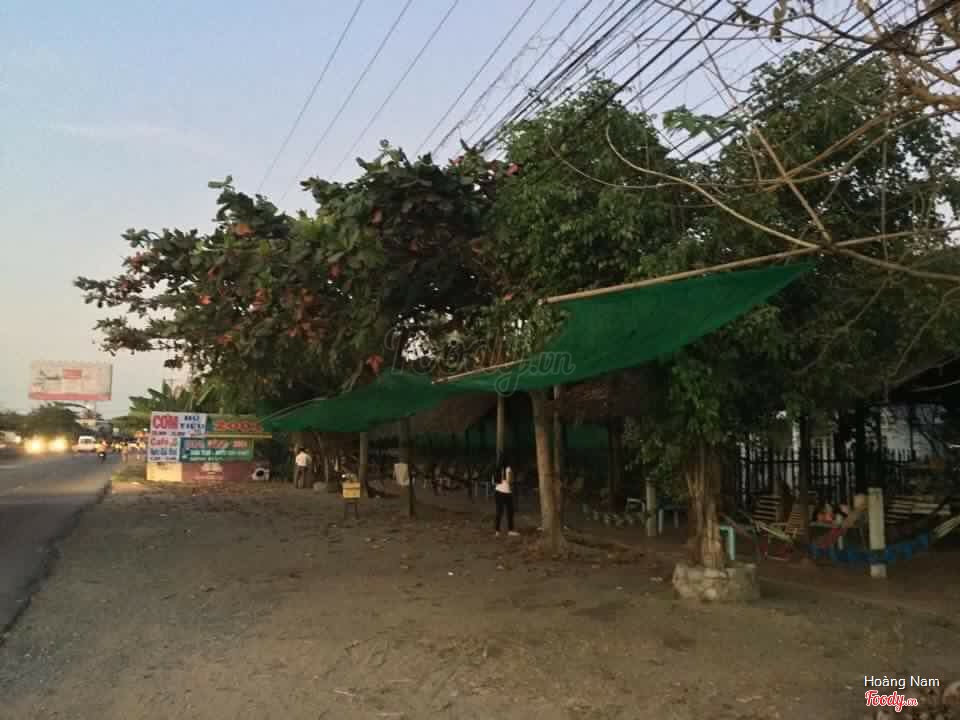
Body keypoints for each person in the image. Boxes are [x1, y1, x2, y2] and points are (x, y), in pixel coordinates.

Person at [493, 455, 519, 537]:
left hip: (497, 491)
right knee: (510, 512)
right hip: (507, 492)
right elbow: (509, 481)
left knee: (499, 512)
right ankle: (510, 530)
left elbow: (493, 482)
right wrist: (512, 477)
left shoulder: (497, 469)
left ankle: (497, 531)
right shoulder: (508, 468)